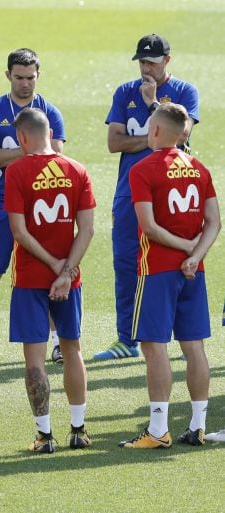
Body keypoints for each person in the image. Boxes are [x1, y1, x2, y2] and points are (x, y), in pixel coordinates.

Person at [119, 103, 219, 449]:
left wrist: (184, 249)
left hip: (158, 269)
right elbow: (215, 222)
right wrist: (195, 255)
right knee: (194, 348)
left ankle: (159, 429)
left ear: (157, 131)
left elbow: (149, 226)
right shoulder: (199, 168)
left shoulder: (144, 170)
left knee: (154, 346)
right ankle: (197, 426)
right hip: (194, 273)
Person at [96, 34, 200, 360]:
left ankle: (183, 338)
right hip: (129, 192)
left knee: (177, 261)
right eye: (141, 61)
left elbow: (182, 136)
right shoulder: (125, 92)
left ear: (167, 61)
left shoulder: (184, 92)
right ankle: (127, 339)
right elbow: (114, 143)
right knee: (127, 261)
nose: (145, 68)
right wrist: (155, 137)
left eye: (151, 62)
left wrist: (154, 105)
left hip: (172, 191)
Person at [4, 108, 95, 453]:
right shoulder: (76, 170)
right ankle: (79, 430)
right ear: (50, 132)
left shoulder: (17, 171)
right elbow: (86, 229)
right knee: (72, 349)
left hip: (30, 278)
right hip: (69, 280)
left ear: (22, 138)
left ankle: (44, 437)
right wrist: (67, 271)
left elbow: (19, 230)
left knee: (35, 360)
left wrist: (54, 265)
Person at [0, 48, 66, 363]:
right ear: (8, 75)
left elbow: (58, 158)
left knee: (48, 272)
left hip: (41, 205)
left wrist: (11, 155)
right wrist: (32, 152)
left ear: (38, 76)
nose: (25, 83)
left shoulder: (50, 112)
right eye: (19, 77)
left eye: (31, 77)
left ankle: (57, 342)